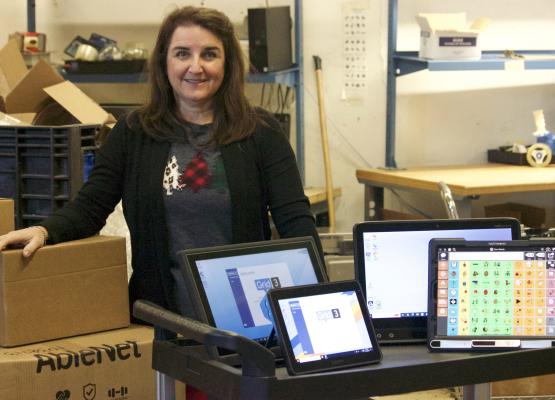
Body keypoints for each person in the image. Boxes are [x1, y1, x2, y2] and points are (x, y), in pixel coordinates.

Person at [0, 6, 322, 321]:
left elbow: (296, 223)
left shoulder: (260, 133)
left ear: (228, 64)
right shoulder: (133, 133)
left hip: (243, 322)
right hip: (160, 320)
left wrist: (321, 304)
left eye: (209, 54)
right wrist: (44, 230)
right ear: (164, 62)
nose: (196, 67)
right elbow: (90, 208)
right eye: (182, 53)